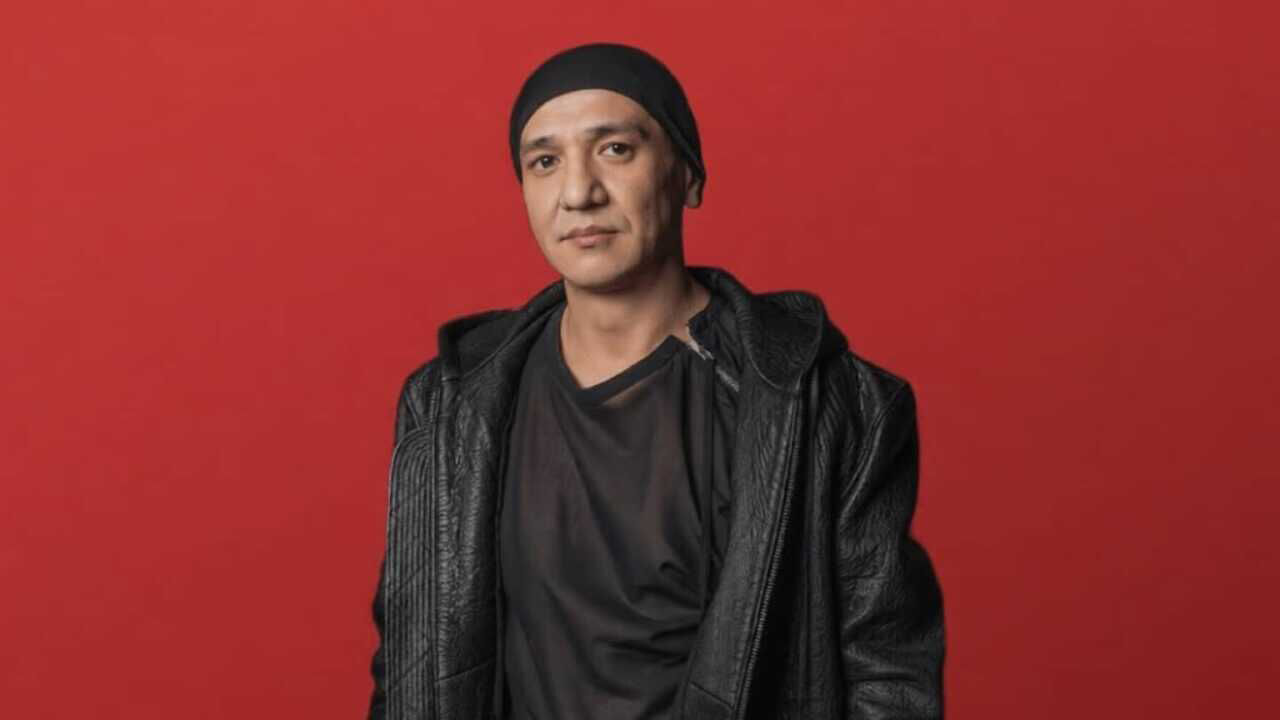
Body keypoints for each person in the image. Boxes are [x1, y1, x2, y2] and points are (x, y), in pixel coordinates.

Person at [367, 42, 945, 720]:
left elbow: (888, 674)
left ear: (688, 177)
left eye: (615, 149)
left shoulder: (830, 403)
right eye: (545, 162)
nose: (578, 193)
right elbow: (409, 664)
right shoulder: (448, 404)